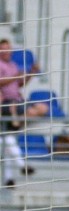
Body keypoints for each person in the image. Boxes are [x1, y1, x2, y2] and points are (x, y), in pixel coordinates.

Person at [0, 38, 43, 186]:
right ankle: (21, 167)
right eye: (3, 49)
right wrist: (15, 77)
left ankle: (9, 178)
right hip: (5, 106)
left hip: (15, 103)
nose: (7, 51)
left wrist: (31, 72)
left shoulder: (12, 65)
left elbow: (19, 83)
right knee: (7, 140)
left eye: (8, 48)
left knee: (7, 141)